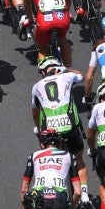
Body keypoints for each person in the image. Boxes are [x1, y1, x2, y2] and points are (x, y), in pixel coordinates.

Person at [31, 57, 90, 200]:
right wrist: (66, 69)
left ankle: (52, 192)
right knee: (78, 158)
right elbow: (84, 76)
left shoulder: (36, 86)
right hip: (70, 126)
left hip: (50, 132)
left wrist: (39, 130)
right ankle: (85, 197)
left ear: (43, 73)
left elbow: (35, 111)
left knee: (51, 161)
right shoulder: (68, 76)